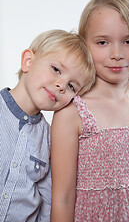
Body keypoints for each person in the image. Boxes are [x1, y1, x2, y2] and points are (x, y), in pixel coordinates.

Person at [51, 0, 129, 221]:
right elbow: (63, 198)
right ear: (85, 45)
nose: (117, 54)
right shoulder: (71, 113)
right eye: (103, 42)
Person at [0, 29, 95, 222]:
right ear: (28, 61)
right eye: (56, 69)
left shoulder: (51, 139)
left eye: (71, 86)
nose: (61, 85)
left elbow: (48, 200)